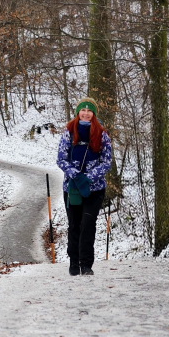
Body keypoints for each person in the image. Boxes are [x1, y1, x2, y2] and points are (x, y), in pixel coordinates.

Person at [56, 97, 112, 276]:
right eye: (83, 110)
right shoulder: (69, 132)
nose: (86, 113)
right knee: (74, 225)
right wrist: (76, 175)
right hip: (72, 188)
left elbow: (107, 162)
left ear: (94, 114)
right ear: (78, 112)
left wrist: (88, 177)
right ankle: (73, 262)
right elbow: (61, 159)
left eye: (89, 111)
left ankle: (86, 264)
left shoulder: (102, 134)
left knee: (88, 224)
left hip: (94, 189)